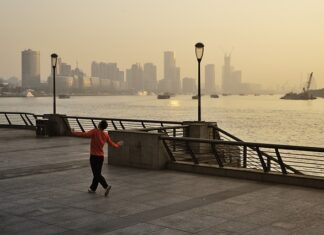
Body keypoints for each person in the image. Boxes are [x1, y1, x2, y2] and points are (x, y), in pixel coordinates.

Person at [72, 120, 123, 197]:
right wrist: (118, 145)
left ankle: (106, 186)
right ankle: (92, 188)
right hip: (101, 157)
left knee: (96, 174)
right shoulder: (106, 135)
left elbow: (84, 134)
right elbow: (113, 145)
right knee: (97, 173)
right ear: (105, 127)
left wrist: (73, 132)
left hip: (94, 156)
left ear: (99, 125)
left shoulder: (95, 131)